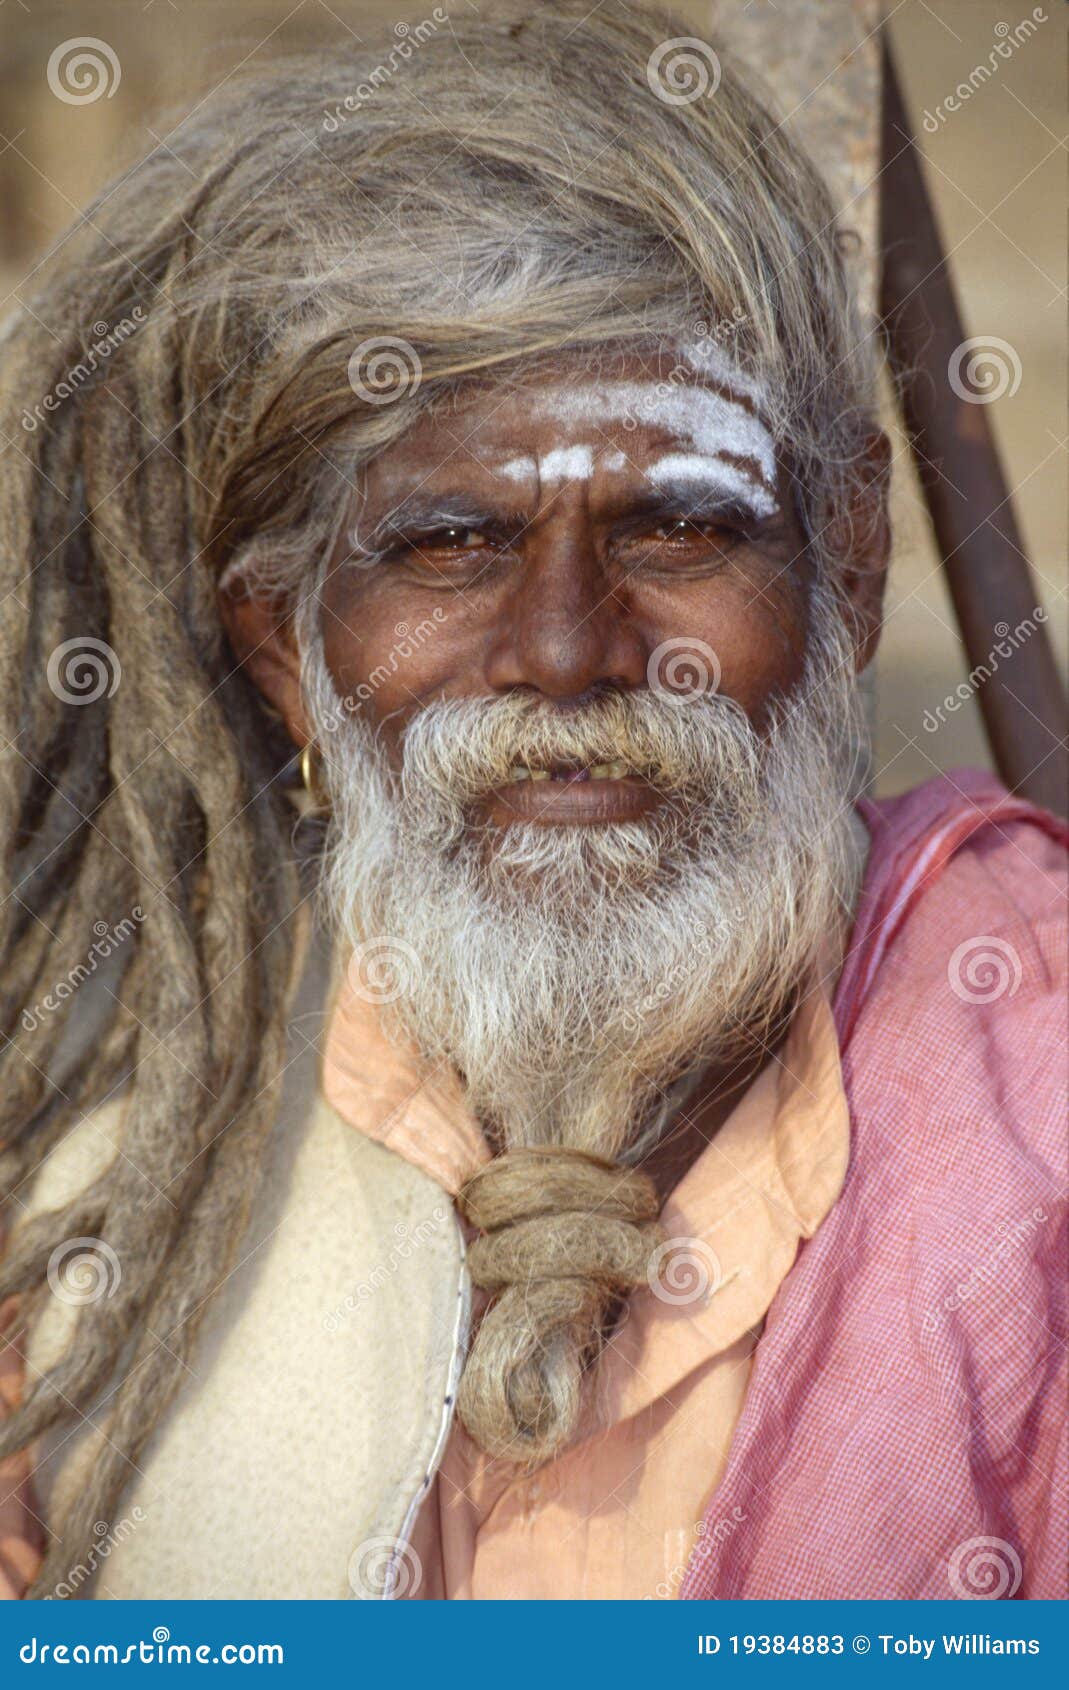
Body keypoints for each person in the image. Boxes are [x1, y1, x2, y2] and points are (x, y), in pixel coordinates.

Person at [0, 1, 1064, 1602]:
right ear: (282, 648)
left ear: (846, 576)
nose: (568, 655)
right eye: (447, 546)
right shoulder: (81, 1166)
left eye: (677, 529)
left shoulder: (1033, 1080)